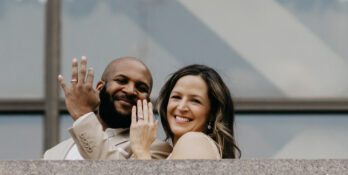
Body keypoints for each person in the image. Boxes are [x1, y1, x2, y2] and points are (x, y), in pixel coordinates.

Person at [68, 62, 240, 161]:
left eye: (195, 100)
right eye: (176, 97)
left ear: (212, 113)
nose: (181, 107)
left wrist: (142, 150)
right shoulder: (177, 149)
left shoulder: (194, 141)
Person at [43, 55, 171, 160]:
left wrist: (83, 115)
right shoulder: (53, 154)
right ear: (100, 88)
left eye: (141, 88)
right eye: (121, 81)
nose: (131, 91)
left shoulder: (156, 149)